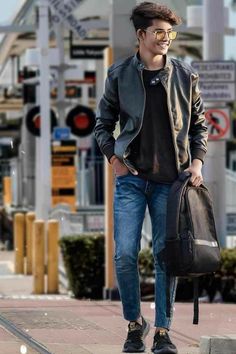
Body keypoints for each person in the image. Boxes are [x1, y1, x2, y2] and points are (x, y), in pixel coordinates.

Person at [94, 2, 208, 353]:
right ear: (141, 35)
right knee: (125, 255)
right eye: (159, 32)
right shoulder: (119, 75)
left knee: (164, 255)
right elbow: (103, 124)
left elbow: (199, 127)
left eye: (169, 33)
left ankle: (162, 331)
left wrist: (198, 164)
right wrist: (114, 157)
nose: (165, 38)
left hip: (170, 183)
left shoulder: (186, 77)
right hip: (130, 178)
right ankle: (134, 324)